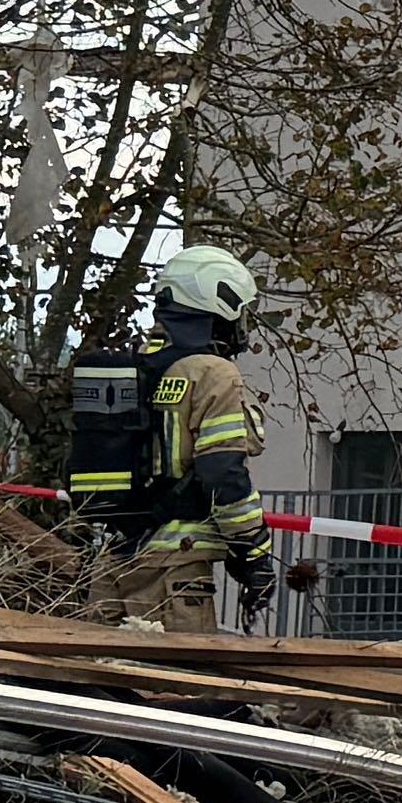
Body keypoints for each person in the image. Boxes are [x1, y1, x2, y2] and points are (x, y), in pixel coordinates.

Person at [127, 243, 275, 603]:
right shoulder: (212, 372)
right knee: (181, 645)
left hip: (115, 558)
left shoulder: (135, 368)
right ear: (219, 305)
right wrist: (254, 552)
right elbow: (222, 473)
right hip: (176, 568)